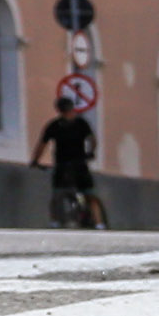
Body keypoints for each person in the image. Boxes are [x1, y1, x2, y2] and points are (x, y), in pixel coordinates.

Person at [32, 98, 101, 228]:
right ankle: (99, 224)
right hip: (78, 163)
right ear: (72, 109)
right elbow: (92, 140)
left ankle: (55, 222)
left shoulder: (55, 125)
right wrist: (91, 152)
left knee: (58, 194)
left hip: (63, 164)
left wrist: (35, 161)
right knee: (88, 194)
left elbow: (42, 145)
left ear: (59, 110)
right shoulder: (80, 123)